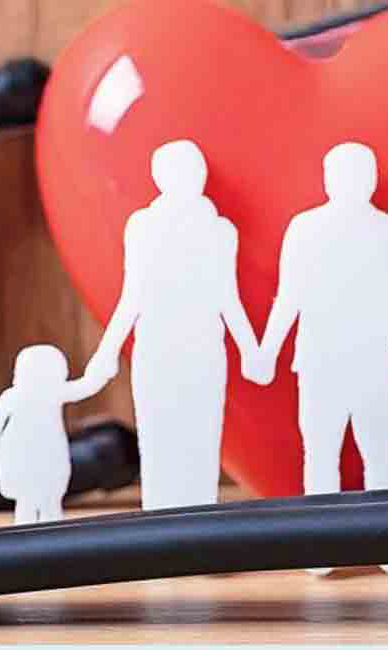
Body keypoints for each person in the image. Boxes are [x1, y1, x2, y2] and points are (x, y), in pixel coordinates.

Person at [259, 142, 388, 577]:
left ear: (372, 180)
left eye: (360, 173)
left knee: (380, 453)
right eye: (343, 173)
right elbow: (289, 296)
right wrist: (268, 351)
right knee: (321, 453)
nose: (352, 182)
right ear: (327, 180)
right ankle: (321, 544)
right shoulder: (304, 229)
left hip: (373, 360)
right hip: (321, 360)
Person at [85, 140, 265, 511]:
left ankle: (199, 516)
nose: (189, 178)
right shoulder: (143, 226)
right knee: (158, 432)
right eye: (180, 171)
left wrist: (251, 350)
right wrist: (106, 352)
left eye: (194, 170)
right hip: (157, 344)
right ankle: (160, 518)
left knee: (202, 431)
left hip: (203, 344)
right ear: (160, 178)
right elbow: (133, 295)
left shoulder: (220, 231)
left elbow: (226, 296)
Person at [0, 344, 108, 524]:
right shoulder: (16, 396)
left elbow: (87, 385)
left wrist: (102, 367)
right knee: (28, 499)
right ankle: (27, 529)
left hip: (50, 452)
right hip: (23, 453)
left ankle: (50, 528)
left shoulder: (54, 392)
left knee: (50, 496)